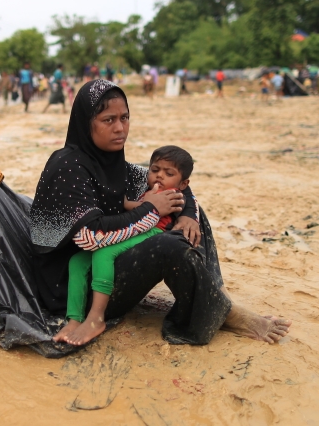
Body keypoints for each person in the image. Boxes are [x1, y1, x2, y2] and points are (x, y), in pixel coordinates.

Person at [30, 80, 292, 346]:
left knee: (188, 214)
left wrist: (187, 214)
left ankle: (217, 297)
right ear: (86, 123)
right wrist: (152, 208)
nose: (120, 128)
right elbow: (90, 237)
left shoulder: (114, 163)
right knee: (168, 246)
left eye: (124, 118)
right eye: (108, 120)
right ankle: (220, 311)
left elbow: (171, 185)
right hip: (74, 288)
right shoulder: (68, 167)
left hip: (104, 266)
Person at [55, 145, 195, 345]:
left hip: (154, 233)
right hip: (136, 230)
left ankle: (96, 317)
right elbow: (142, 207)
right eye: (155, 170)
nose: (160, 176)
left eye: (169, 173)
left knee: (102, 254)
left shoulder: (172, 193)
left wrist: (134, 203)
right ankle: (74, 318)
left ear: (183, 184)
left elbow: (152, 209)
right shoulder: (148, 189)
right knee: (77, 260)